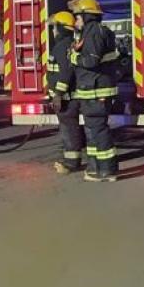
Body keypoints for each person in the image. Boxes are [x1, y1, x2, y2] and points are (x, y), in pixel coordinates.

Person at [69, 0, 120, 182]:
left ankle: (108, 170)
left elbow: (91, 60)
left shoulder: (93, 33)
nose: (76, 21)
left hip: (96, 91)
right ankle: (95, 169)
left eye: (78, 17)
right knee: (93, 131)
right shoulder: (96, 32)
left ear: (87, 16)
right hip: (94, 90)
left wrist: (74, 58)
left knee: (98, 130)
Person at [47, 10, 83, 175]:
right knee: (70, 128)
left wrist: (58, 94)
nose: (53, 31)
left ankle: (71, 163)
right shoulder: (67, 44)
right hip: (68, 97)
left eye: (54, 27)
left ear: (61, 28)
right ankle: (72, 160)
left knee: (69, 129)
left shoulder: (62, 47)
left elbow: (66, 72)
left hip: (67, 98)